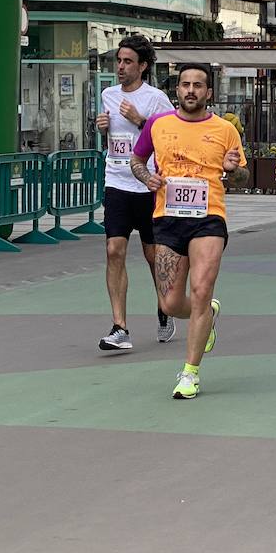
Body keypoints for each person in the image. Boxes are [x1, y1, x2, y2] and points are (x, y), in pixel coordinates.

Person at [130, 63, 247, 400]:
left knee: (200, 288)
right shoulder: (158, 124)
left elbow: (242, 178)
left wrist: (232, 170)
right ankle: (208, 312)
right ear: (177, 90)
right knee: (169, 303)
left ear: (209, 92)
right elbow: (137, 160)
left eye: (198, 85)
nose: (191, 90)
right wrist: (145, 177)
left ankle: (190, 372)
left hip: (209, 217)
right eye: (185, 84)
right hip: (167, 218)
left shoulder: (225, 129)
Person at [95, 34, 177, 352]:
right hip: (116, 182)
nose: (121, 66)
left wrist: (140, 120)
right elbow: (113, 138)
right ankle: (120, 327)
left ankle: (164, 307)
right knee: (114, 250)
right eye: (118, 60)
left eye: (128, 61)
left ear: (142, 66)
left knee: (152, 255)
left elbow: (170, 134)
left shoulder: (155, 98)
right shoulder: (108, 94)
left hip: (147, 185)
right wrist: (102, 127)